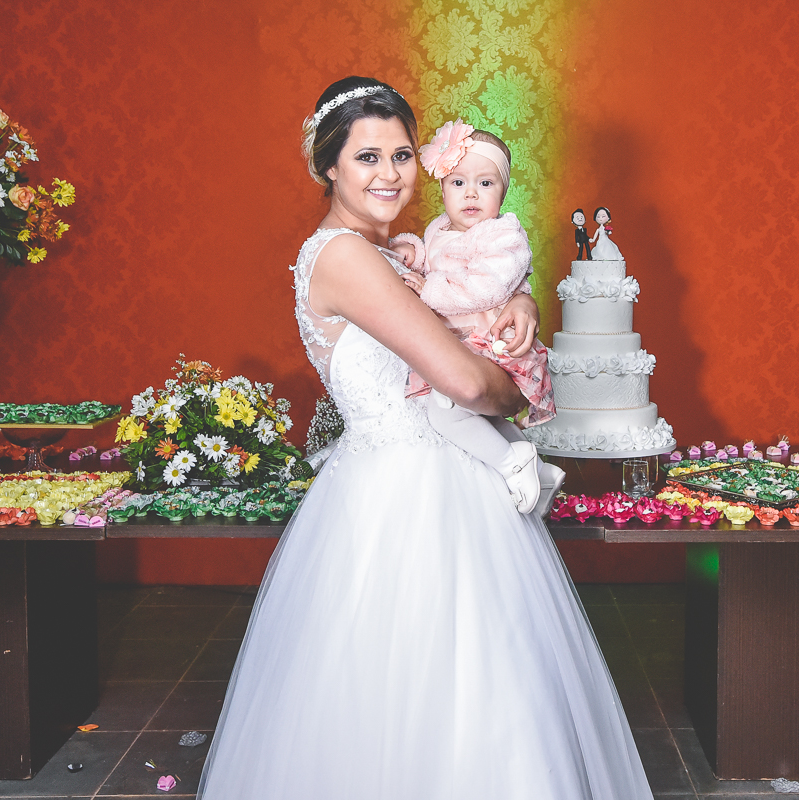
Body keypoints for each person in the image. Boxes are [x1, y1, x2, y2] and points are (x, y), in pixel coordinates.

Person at [195, 76, 655, 800]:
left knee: (485, 682)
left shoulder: (404, 250)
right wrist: (524, 389)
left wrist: (521, 301)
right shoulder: (343, 257)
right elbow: (468, 384)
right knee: (428, 680)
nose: (390, 174)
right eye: (367, 158)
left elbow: (472, 291)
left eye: (403, 155)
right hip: (404, 493)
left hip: (446, 476)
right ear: (327, 167)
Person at [388, 119, 563, 514]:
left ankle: (510, 463)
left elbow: (486, 287)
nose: (471, 193)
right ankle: (531, 462)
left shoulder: (504, 236)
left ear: (503, 191)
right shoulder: (438, 228)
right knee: (473, 417)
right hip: (457, 345)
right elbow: (430, 255)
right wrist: (411, 251)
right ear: (443, 187)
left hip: (487, 344)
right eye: (458, 182)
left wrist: (427, 290)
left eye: (486, 184)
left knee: (444, 413)